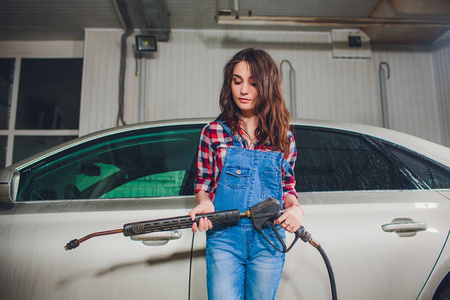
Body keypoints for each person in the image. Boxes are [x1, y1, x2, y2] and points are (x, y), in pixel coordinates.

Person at [189, 48, 303, 300]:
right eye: (237, 81)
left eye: (253, 83)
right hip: (224, 238)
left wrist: (296, 209)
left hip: (268, 240)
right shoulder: (213, 132)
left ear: (267, 86)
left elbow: (287, 189)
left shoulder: (283, 137)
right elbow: (203, 183)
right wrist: (205, 203)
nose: (243, 90)